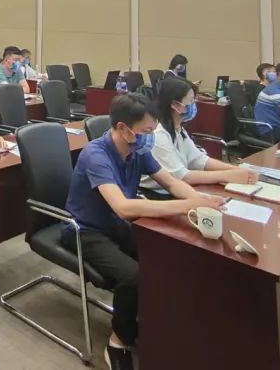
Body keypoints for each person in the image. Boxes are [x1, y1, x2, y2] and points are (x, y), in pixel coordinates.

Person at [64, 93, 215, 370]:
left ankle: (152, 318)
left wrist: (201, 202)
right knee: (134, 276)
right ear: (123, 128)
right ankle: (118, 341)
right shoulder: (95, 154)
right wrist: (185, 206)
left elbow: (171, 182)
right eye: (146, 131)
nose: (150, 138)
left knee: (165, 253)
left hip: (116, 226)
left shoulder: (138, 150)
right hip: (84, 230)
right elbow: (122, 207)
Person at [140, 78, 258, 196]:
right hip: (156, 194)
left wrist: (235, 170)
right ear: (175, 105)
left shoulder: (177, 127)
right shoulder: (158, 134)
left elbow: (198, 160)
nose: (194, 105)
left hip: (177, 189)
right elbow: (183, 176)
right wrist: (226, 175)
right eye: (191, 101)